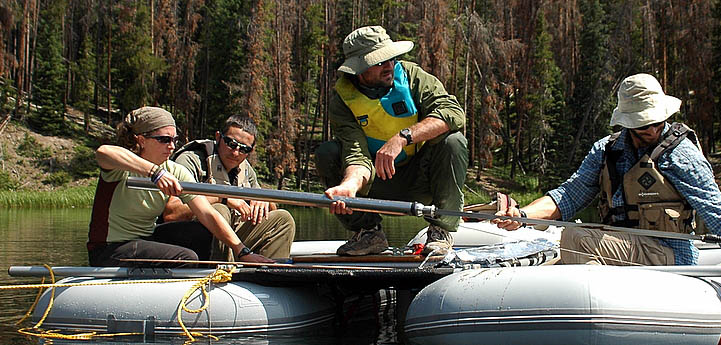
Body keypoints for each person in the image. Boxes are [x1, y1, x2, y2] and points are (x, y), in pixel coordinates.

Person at [491, 73, 721, 294]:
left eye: (655, 120)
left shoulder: (681, 155)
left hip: (671, 255)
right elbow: (566, 197)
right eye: (643, 122)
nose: (652, 127)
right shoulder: (605, 151)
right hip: (622, 251)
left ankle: (598, 301)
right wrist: (520, 216)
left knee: (575, 237)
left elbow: (719, 216)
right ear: (627, 122)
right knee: (550, 263)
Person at [316, 25, 468, 256]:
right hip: (376, 184)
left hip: (421, 179)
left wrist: (402, 137)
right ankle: (368, 233)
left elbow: (453, 113)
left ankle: (440, 231)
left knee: (453, 141)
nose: (389, 66)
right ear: (359, 69)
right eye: (379, 62)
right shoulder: (342, 102)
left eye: (392, 58)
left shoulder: (412, 76)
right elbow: (355, 153)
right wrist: (349, 186)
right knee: (327, 152)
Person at [86, 106, 275, 267]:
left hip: (146, 239)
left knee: (202, 232)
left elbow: (207, 214)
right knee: (187, 258)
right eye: (164, 140)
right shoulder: (122, 166)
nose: (171, 146)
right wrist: (154, 172)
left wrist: (242, 251)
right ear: (141, 140)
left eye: (174, 140)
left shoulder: (174, 170)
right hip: (110, 248)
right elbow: (104, 152)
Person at [162, 115, 296, 260]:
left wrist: (264, 200)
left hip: (232, 235)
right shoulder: (191, 160)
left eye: (244, 149)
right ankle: (222, 272)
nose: (236, 153)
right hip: (191, 238)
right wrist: (222, 198)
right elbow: (171, 214)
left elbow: (270, 209)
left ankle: (267, 274)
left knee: (283, 219)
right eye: (231, 144)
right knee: (220, 210)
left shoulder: (246, 170)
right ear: (218, 137)